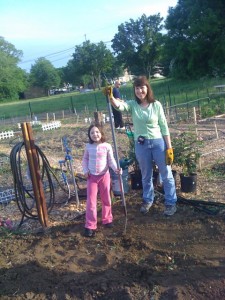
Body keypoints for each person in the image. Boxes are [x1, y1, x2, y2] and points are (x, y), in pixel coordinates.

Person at [106, 76, 177, 216]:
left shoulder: (156, 105)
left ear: (147, 88)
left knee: (166, 173)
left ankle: (170, 203)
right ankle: (148, 200)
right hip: (142, 145)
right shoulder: (132, 104)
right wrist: (111, 96)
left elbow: (164, 126)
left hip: (158, 143)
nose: (140, 91)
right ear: (135, 90)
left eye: (142, 87)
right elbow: (120, 106)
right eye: (137, 88)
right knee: (145, 175)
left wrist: (169, 147)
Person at [82, 124, 121, 237]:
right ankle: (90, 225)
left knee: (106, 199)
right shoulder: (88, 147)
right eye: (92, 133)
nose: (95, 134)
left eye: (97, 132)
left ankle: (107, 219)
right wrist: (85, 170)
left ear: (101, 133)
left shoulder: (107, 146)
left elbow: (111, 160)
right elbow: (84, 159)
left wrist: (116, 168)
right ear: (89, 135)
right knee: (91, 201)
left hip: (104, 176)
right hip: (92, 177)